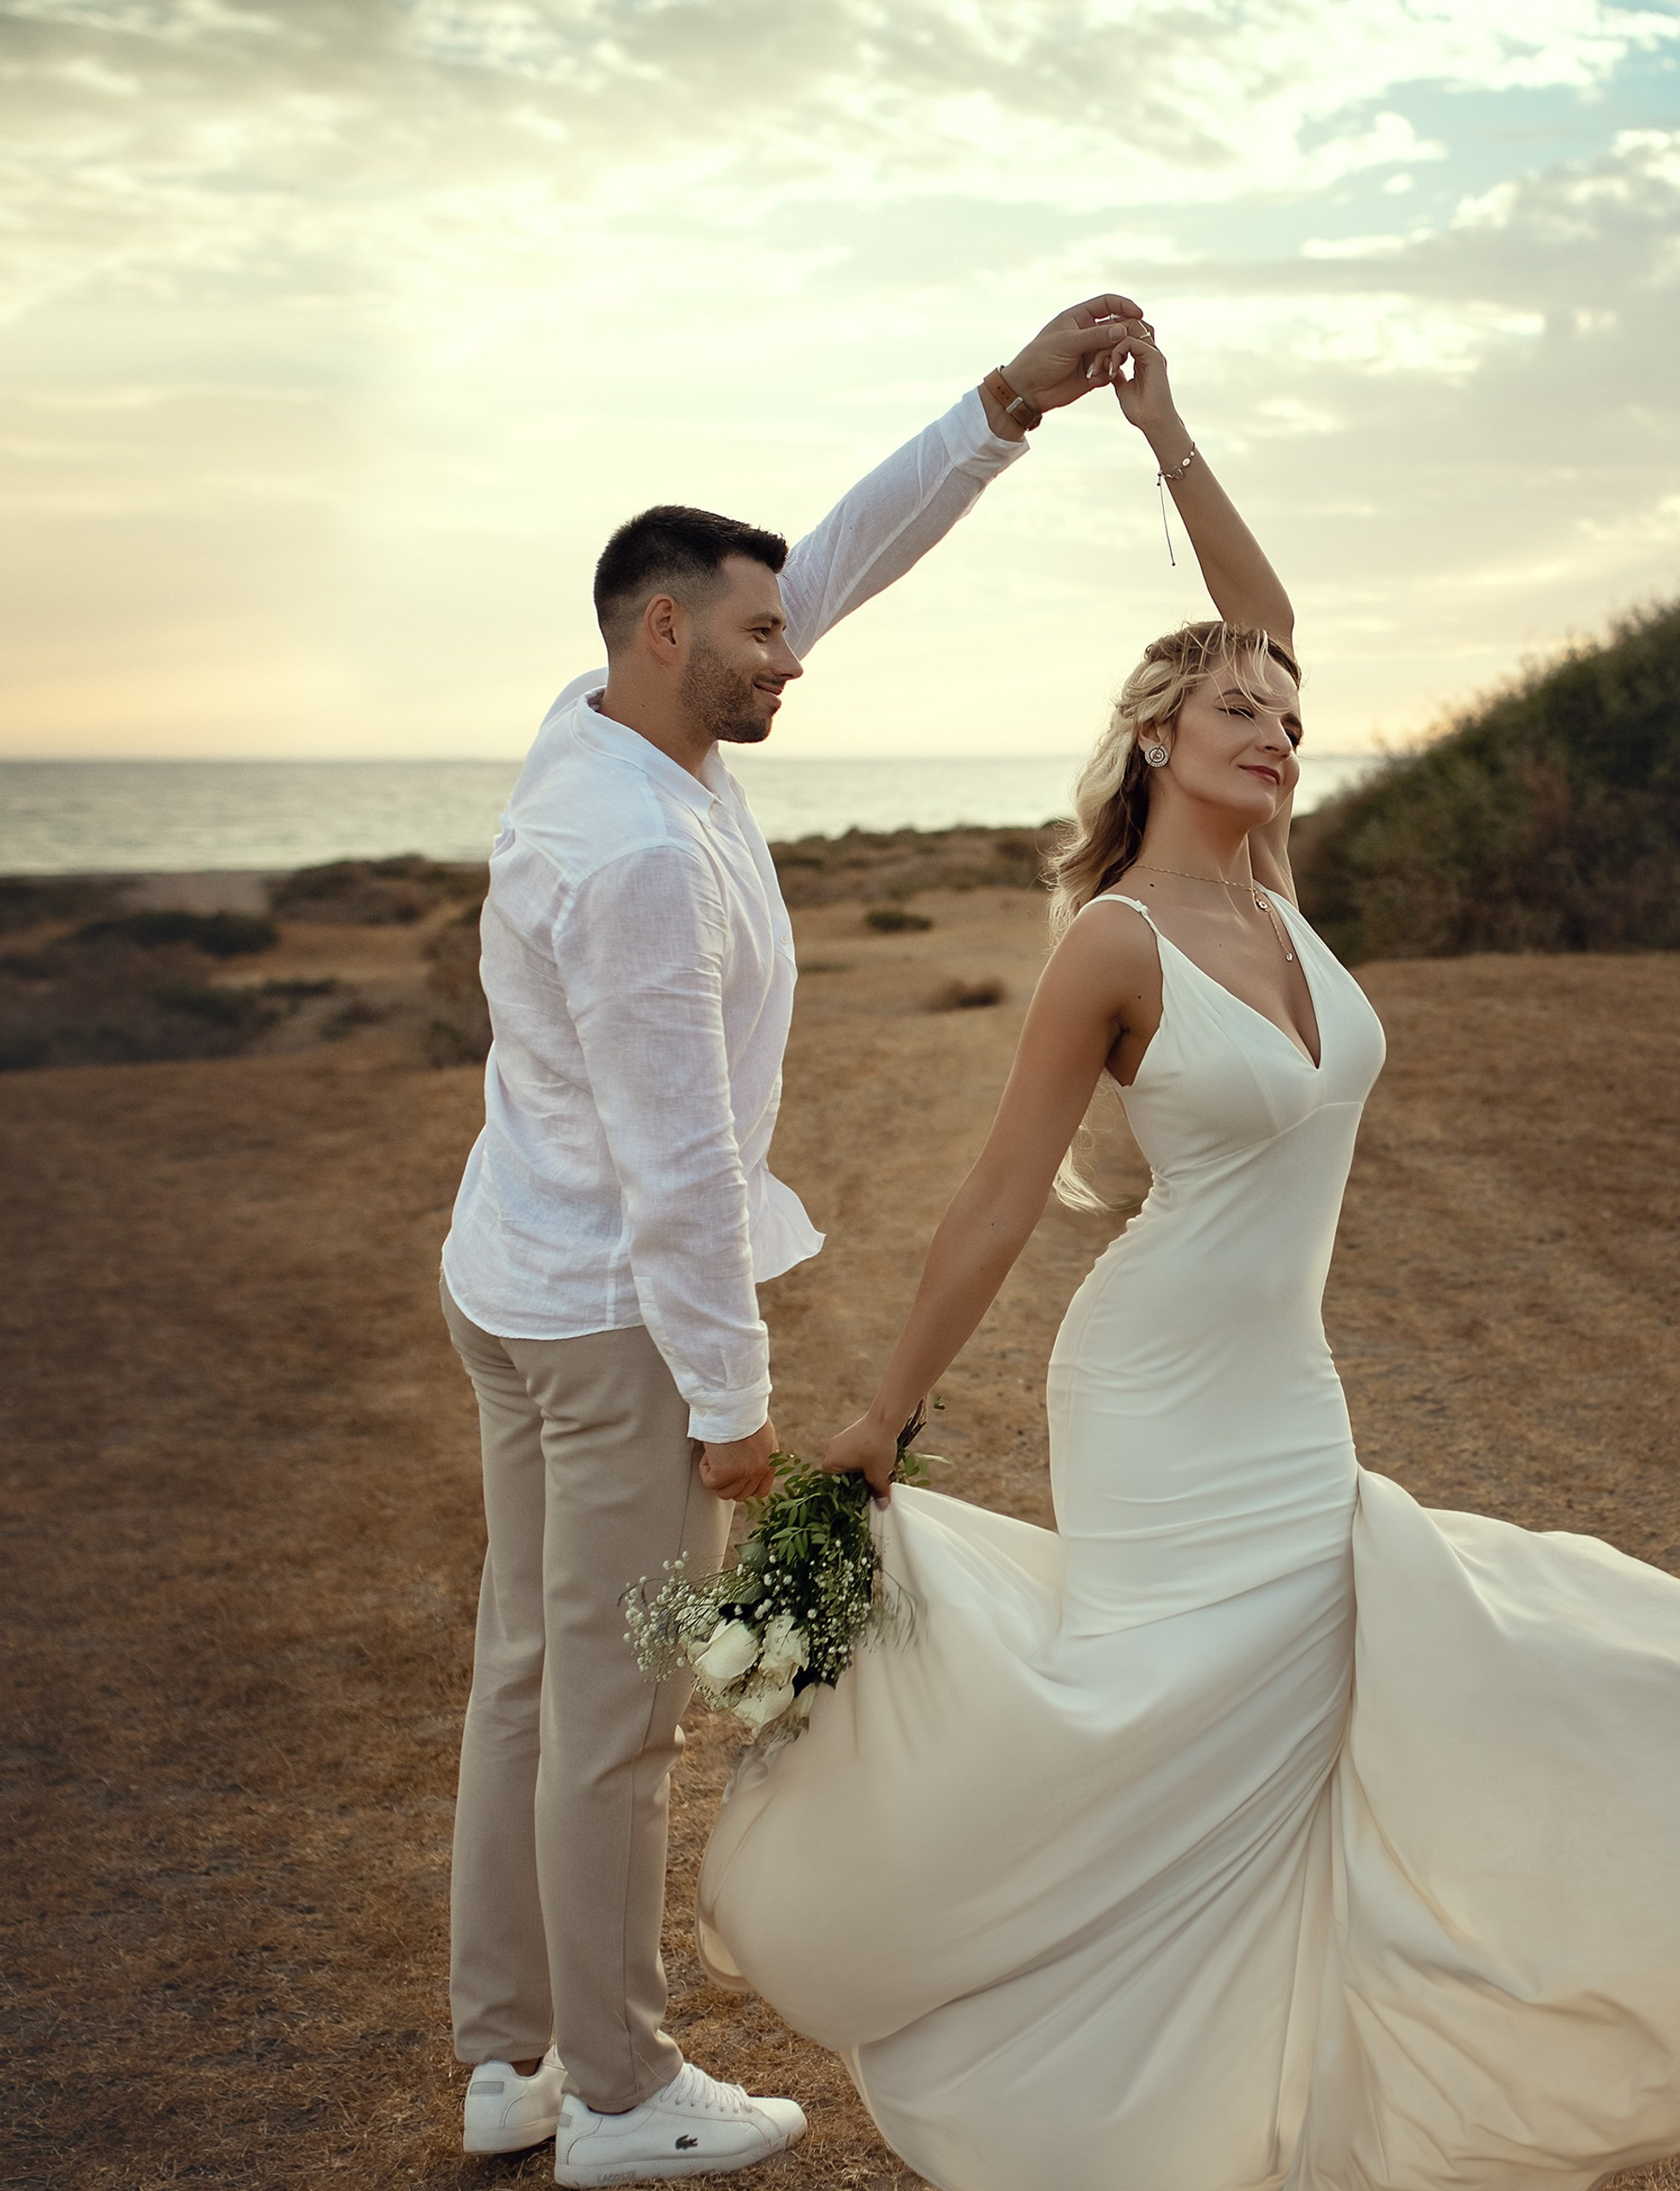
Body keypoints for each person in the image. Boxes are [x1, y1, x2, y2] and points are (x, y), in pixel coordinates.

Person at [692, 333, 1680, 2191]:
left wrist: (1165, 432)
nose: (1275, 721)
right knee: (1154, 1730)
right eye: (1235, 707)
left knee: (1294, 1735)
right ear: (1153, 737)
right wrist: (882, 1415)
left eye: (1287, 710)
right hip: (1146, 1385)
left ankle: (1264, 2098)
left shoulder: (1278, 891)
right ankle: (1044, 2054)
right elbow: (992, 1197)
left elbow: (1265, 608)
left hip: (1283, 1387)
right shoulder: (1115, 942)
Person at [436, 295, 1153, 2189]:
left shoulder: (601, 724)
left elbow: (834, 552)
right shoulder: (648, 858)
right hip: (608, 1323)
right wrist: (733, 1410)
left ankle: (504, 2056)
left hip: (510, 1273)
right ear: (664, 633)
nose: (792, 654)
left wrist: (1003, 408)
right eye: (760, 635)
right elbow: (681, 1181)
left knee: (526, 1671)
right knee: (611, 1715)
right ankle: (614, 2089)